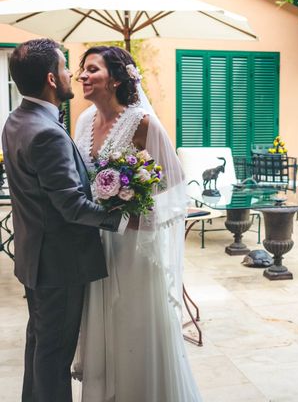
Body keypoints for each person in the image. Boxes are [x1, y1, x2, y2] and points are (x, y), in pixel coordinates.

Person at [72, 46, 202, 401]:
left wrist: (135, 217)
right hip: (94, 241)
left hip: (133, 247)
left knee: (132, 325)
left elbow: (174, 187)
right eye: (82, 70)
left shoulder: (142, 122)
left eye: (92, 69)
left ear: (115, 79)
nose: (82, 75)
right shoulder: (84, 122)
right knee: (104, 325)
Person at [1, 38, 125, 402]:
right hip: (60, 262)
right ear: (53, 79)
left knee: (39, 347)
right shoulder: (45, 133)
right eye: (66, 66)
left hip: (35, 259)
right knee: (54, 357)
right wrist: (121, 218)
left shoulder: (15, 120)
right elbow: (71, 206)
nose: (73, 73)